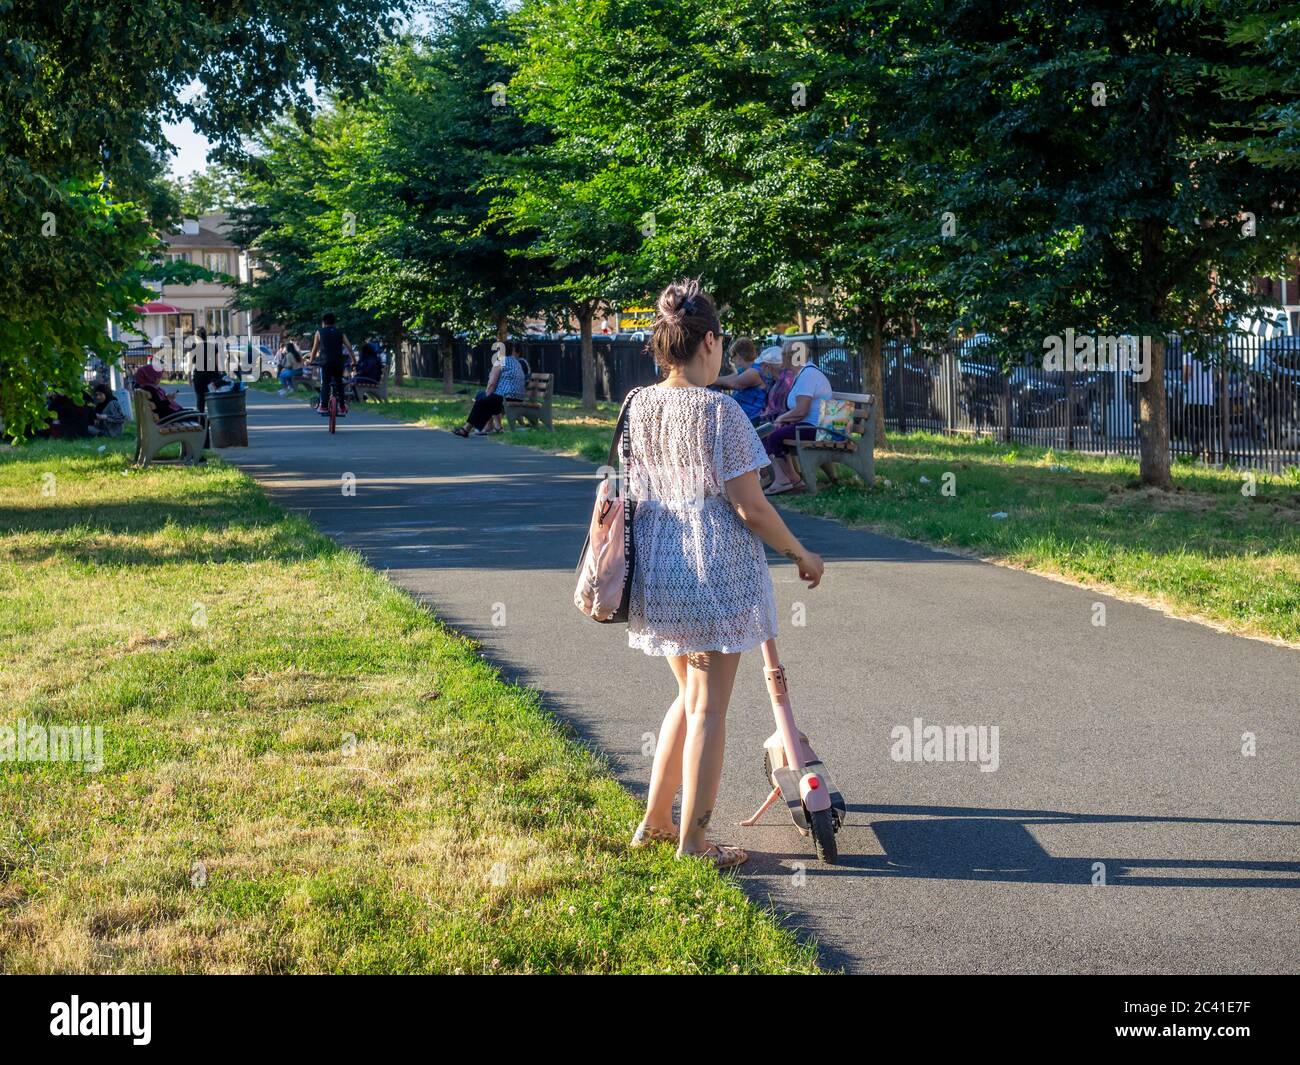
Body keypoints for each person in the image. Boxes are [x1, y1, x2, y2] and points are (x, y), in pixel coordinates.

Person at [625, 279, 824, 869]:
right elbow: (751, 506)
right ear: (710, 341)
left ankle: (656, 822)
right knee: (710, 709)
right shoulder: (719, 411)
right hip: (714, 576)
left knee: (687, 699)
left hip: (658, 572)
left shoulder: (637, 404)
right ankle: (695, 843)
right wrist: (801, 553)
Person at [762, 345, 833, 495]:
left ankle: (791, 481)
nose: (781, 358)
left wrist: (782, 418)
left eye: (784, 354)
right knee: (770, 433)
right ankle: (787, 479)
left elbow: (801, 410)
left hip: (819, 428)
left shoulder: (808, 375)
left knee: (774, 436)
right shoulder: (803, 373)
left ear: (791, 357)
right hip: (811, 425)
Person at [452, 342, 526, 436]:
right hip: (518, 397)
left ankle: (467, 429)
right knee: (485, 398)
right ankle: (494, 426)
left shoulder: (502, 361)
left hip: (506, 396)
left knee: (481, 399)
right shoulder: (517, 363)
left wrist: (487, 396)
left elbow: (491, 384)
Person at [712, 337, 769, 423]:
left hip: (752, 419)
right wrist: (711, 380)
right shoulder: (745, 370)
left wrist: (708, 380)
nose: (732, 361)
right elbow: (724, 379)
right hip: (742, 418)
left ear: (738, 356)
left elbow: (734, 383)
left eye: (732, 357)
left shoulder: (753, 372)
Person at [310, 313, 354, 415]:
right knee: (339, 383)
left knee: (325, 383)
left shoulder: (319, 332)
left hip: (325, 362)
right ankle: (342, 407)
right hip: (338, 362)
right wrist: (354, 361)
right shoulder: (340, 333)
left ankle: (323, 406)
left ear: (323, 323)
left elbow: (314, 349)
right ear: (335, 323)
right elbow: (349, 347)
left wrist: (311, 360)